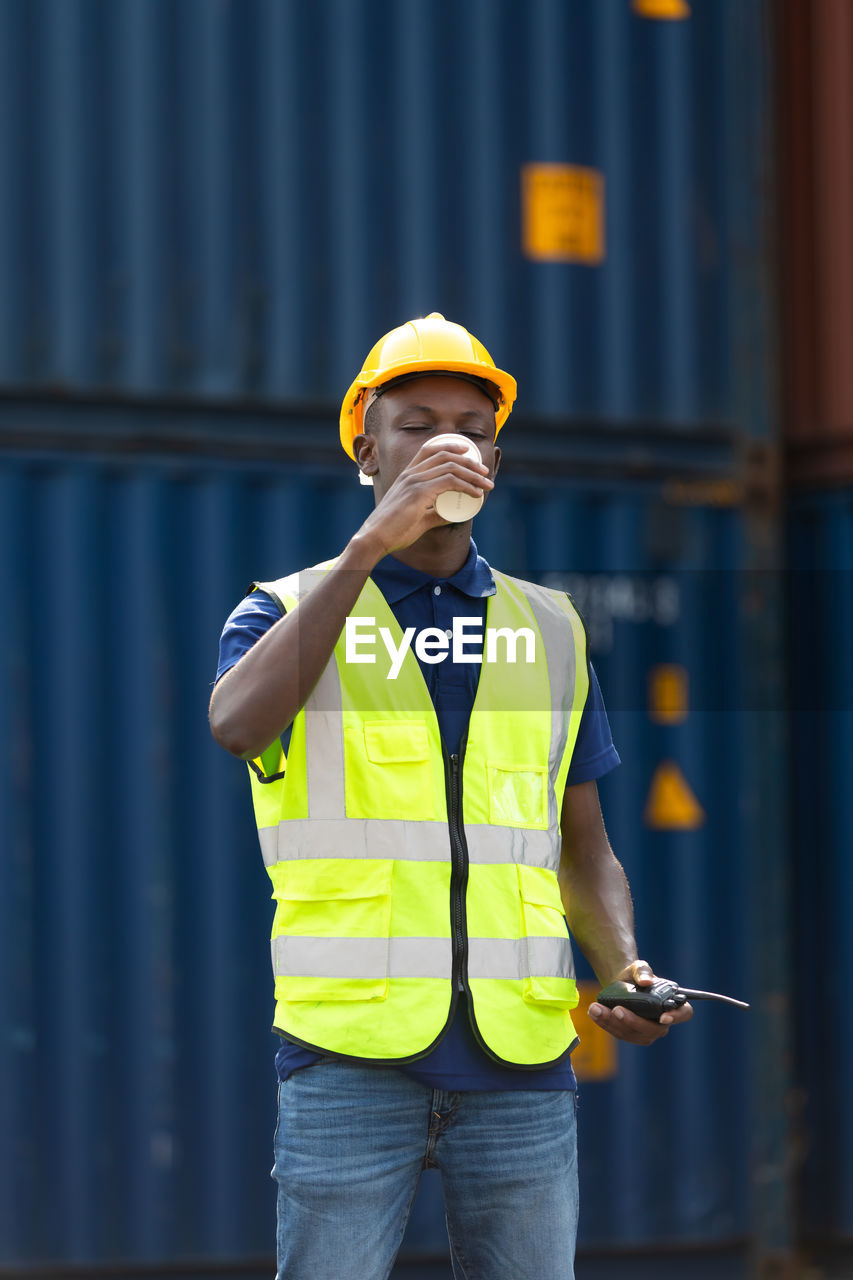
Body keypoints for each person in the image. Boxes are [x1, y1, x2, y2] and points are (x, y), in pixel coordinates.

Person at [209, 313, 692, 1280]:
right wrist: (364, 552)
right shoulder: (283, 609)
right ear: (365, 449)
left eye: (470, 427)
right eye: (415, 424)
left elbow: (582, 846)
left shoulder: (550, 631)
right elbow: (238, 726)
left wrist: (624, 966)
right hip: (348, 1058)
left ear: (495, 460)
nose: (447, 445)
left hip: (520, 1069)